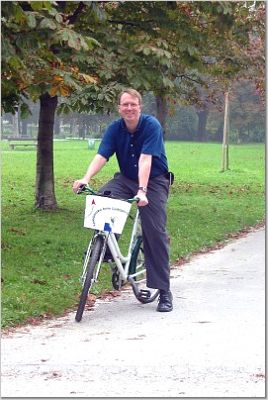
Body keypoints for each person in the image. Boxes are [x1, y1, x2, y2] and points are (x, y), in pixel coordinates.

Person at [73, 88, 173, 312]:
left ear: (139, 107)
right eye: (125, 104)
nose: (129, 108)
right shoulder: (114, 129)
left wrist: (142, 190)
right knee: (103, 200)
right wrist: (85, 178)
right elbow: (102, 156)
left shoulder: (151, 126)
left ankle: (164, 291)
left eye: (133, 104)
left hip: (154, 181)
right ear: (119, 108)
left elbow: (146, 160)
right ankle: (107, 249)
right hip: (126, 178)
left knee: (154, 231)